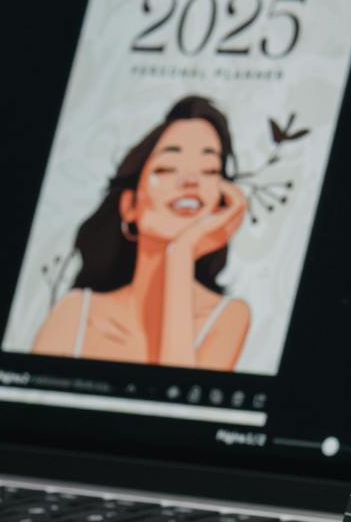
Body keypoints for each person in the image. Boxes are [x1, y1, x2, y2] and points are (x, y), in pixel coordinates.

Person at [30, 96, 252, 370]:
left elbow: (177, 401)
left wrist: (181, 254)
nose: (191, 180)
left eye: (209, 170)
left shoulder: (228, 317)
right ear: (130, 206)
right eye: (167, 168)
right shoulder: (75, 312)